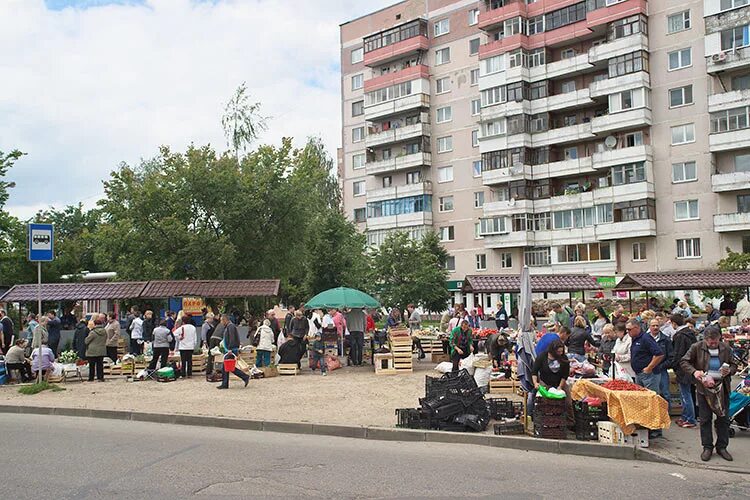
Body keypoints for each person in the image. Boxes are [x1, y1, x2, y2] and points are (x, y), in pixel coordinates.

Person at [680, 326, 738, 462]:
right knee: (705, 419)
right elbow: (684, 361)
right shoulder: (696, 347)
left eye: (715, 342)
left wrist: (729, 370)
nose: (713, 344)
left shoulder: (725, 348)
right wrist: (695, 372)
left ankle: (722, 447)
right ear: (705, 339)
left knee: (723, 419)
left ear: (719, 338)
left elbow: (734, 365)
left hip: (722, 388)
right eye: (710, 342)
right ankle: (707, 447)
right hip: (703, 388)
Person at [627, 319, 665, 437]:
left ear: (637, 328)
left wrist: (649, 367)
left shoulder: (646, 338)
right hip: (639, 374)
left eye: (629, 329)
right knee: (643, 401)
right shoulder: (635, 339)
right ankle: (647, 426)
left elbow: (659, 354)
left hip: (649, 375)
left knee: (652, 401)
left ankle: (656, 429)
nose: (627, 332)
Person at [669, 314, 698, 428]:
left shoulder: (680, 335)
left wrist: (673, 365)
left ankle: (690, 419)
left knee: (685, 395)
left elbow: (678, 353)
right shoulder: (690, 333)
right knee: (687, 393)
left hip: (682, 368)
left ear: (674, 323)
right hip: (691, 366)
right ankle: (686, 417)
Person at [217, 314, 250, 389]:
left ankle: (244, 377)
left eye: (222, 320)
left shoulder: (230, 326)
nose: (221, 322)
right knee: (228, 366)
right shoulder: (229, 326)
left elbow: (232, 337)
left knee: (227, 366)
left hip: (231, 349)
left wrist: (230, 349)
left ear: (225, 320)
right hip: (231, 349)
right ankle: (244, 377)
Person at [648, 319, 673, 408]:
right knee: (650, 394)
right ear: (649, 327)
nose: (655, 327)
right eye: (653, 325)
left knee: (665, 393)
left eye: (657, 326)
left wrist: (661, 366)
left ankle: (667, 416)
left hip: (661, 370)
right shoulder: (645, 339)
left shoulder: (666, 340)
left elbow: (670, 357)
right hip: (648, 371)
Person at [84, 317, 107, 382]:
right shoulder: (104, 331)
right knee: (100, 365)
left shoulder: (93, 332)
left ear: (95, 324)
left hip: (92, 351)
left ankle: (91, 378)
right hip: (101, 350)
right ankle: (100, 377)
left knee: (92, 365)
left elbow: (86, 341)